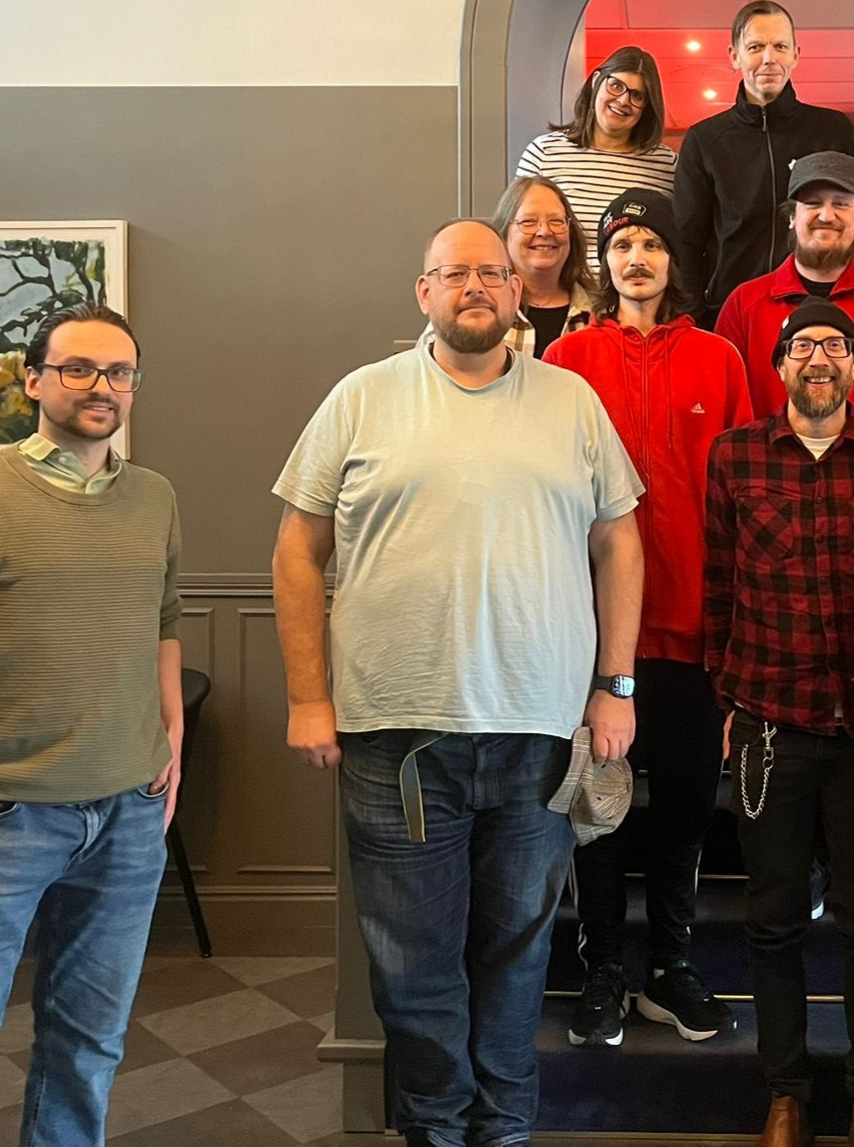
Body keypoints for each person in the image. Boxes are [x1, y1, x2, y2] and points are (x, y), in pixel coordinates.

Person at [272, 219, 644, 1147]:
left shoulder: (571, 401)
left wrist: (617, 684)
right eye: (455, 273)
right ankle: (435, 1132)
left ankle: (503, 1130)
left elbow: (619, 542)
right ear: (424, 291)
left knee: (517, 957)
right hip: (395, 737)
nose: (475, 285)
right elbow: (297, 548)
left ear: (518, 292)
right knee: (412, 967)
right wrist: (308, 695)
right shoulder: (362, 397)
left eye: (492, 272)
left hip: (538, 733)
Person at [0, 304, 183, 1147]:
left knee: (87, 1048)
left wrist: (172, 740)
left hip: (127, 815)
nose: (101, 386)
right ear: (33, 379)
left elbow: (163, 622)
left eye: (118, 371)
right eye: (78, 368)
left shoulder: (154, 496)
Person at [543, 189, 750, 1047]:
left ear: (673, 260)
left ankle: (670, 966)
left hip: (695, 636)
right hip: (594, 641)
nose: (637, 258)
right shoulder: (567, 359)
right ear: (605, 260)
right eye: (622, 244)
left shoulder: (719, 358)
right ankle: (602, 969)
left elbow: (743, 501)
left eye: (652, 244)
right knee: (599, 811)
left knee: (684, 812)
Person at [705, 297, 854, 1147]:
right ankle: (786, 1089)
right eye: (802, 346)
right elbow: (719, 584)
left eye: (835, 345)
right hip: (769, 723)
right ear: (779, 362)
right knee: (773, 917)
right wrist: (726, 699)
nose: (818, 359)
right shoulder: (735, 454)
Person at [675, 0, 854, 323]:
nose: (769, 58)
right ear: (735, 55)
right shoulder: (704, 141)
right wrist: (692, 320)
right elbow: (686, 242)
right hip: (730, 315)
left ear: (795, 55)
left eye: (780, 46)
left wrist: (846, 301)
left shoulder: (833, 130)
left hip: (820, 317)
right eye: (756, 47)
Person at [717, 151, 854, 427]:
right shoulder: (743, 305)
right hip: (764, 456)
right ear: (792, 217)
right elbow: (726, 410)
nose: (827, 215)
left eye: (841, 204)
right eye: (812, 203)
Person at [515, 46, 677, 271]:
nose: (623, 100)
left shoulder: (666, 165)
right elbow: (518, 232)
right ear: (596, 81)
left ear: (647, 107)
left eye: (637, 96)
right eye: (616, 86)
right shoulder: (544, 152)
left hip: (635, 290)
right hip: (560, 289)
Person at [491, 173, 597, 357]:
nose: (544, 231)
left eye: (556, 221)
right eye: (528, 221)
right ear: (504, 234)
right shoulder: (483, 309)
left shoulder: (602, 312)